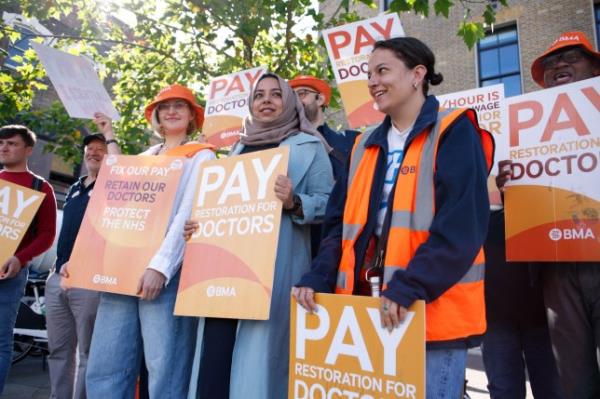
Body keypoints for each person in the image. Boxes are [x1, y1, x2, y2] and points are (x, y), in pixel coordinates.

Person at [294, 37, 494, 399]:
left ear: (418, 74)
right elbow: (338, 227)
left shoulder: (453, 130)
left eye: (382, 70)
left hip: (432, 316)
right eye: (369, 74)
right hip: (366, 313)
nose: (372, 81)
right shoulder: (362, 144)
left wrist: (409, 287)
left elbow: (462, 226)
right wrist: (317, 276)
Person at [185, 73, 333, 399]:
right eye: (259, 95)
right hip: (223, 274)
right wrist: (197, 227)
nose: (266, 100)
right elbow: (218, 207)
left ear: (289, 102)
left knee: (258, 365)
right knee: (214, 359)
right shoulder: (236, 149)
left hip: (272, 272)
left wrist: (295, 201)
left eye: (275, 94)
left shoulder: (311, 146)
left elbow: (330, 204)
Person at [80, 84, 216, 399]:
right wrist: (109, 133)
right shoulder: (145, 156)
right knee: (106, 363)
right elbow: (117, 190)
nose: (171, 111)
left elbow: (189, 212)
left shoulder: (202, 155)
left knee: (165, 366)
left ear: (192, 116)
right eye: (164, 106)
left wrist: (161, 267)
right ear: (155, 115)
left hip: (163, 276)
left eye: (179, 106)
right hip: (122, 271)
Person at [495, 31, 600, 398]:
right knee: (574, 378)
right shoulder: (532, 131)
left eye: (571, 57)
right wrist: (513, 185)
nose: (559, 66)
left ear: (594, 67)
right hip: (556, 266)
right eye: (552, 64)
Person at [43, 133, 106, 399]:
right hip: (57, 278)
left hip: (88, 280)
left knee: (87, 351)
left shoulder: (111, 189)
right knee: (58, 350)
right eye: (89, 148)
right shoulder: (75, 188)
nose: (93, 152)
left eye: (100, 149)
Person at [0, 125, 57, 394]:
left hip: (10, 274)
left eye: (11, 143)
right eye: (1, 143)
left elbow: (46, 235)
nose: (4, 147)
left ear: (28, 150)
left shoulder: (40, 187)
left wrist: (20, 259)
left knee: (0, 340)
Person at [289, 75, 360, 258]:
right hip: (298, 244)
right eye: (291, 97)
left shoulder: (352, 140)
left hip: (341, 242)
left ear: (320, 99)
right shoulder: (284, 146)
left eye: (302, 94)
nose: (296, 101)